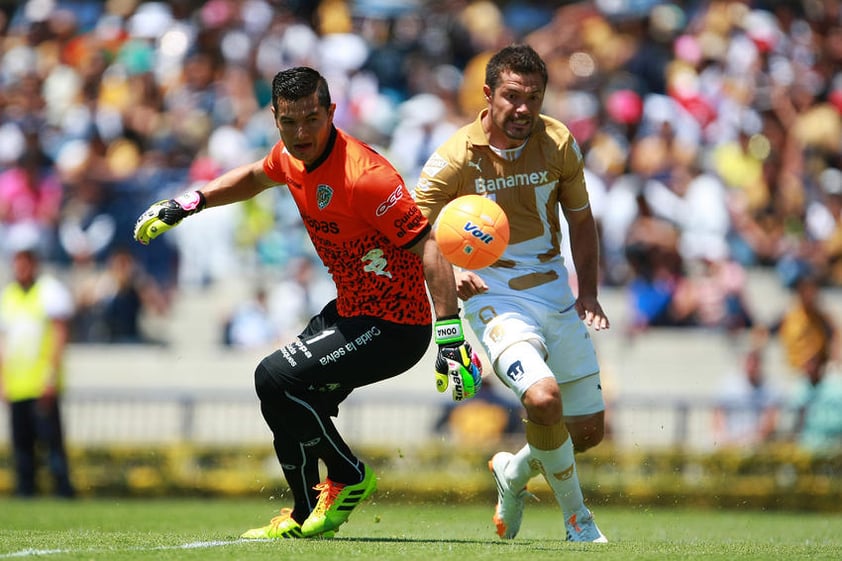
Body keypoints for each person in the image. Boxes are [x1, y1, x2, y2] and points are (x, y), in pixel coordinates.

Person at [132, 66, 481, 539]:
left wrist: (450, 334)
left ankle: (349, 476)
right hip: (352, 312)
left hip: (395, 326)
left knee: (273, 375)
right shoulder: (289, 157)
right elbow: (255, 177)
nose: (301, 134)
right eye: (289, 122)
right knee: (280, 395)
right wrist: (190, 201)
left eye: (312, 120)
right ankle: (300, 515)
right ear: (274, 117)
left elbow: (430, 246)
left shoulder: (367, 177)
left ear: (331, 112)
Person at [414, 44, 610, 543]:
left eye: (534, 98)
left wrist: (588, 291)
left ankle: (514, 471)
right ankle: (578, 521)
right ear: (488, 94)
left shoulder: (559, 141)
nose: (523, 109)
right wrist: (448, 272)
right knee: (543, 400)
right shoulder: (456, 154)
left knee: (586, 433)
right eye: (512, 96)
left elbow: (582, 220)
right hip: (490, 291)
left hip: (552, 289)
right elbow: (408, 227)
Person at [0, 240, 76, 498]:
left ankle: (63, 491)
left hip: (40, 382)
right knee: (22, 446)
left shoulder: (48, 291)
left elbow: (58, 335)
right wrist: (3, 381)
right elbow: (4, 343)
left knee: (51, 443)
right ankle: (26, 492)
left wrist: (50, 375)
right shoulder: (9, 295)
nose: (21, 268)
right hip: (18, 384)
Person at [712, 347, 780, 448]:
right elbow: (718, 413)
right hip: (729, 441)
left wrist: (755, 438)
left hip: (755, 443)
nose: (751, 367)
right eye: (749, 363)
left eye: (754, 364)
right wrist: (723, 437)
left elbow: (771, 419)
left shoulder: (769, 387)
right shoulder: (728, 385)